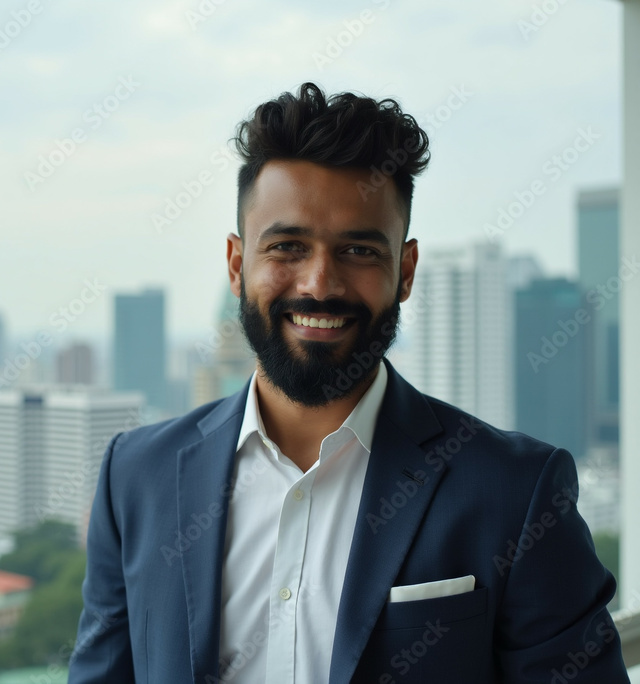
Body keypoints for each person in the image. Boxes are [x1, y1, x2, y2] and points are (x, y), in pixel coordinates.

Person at [67, 82, 630, 683]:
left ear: (405, 271)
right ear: (237, 265)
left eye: (359, 250)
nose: (320, 284)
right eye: (286, 246)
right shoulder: (136, 476)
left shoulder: (516, 493)